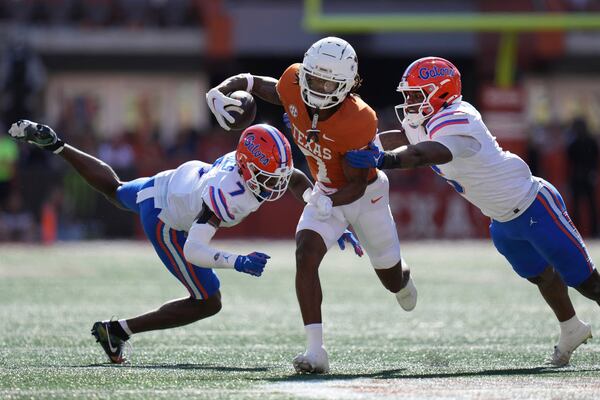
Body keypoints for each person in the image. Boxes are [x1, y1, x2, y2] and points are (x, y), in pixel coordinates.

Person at [9, 119, 361, 364]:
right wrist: (236, 261)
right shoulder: (226, 194)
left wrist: (324, 216)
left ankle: (56, 145)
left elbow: (297, 180)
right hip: (166, 218)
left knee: (115, 190)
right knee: (208, 301)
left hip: (169, 183)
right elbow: (194, 249)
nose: (275, 186)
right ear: (246, 166)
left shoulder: (250, 171)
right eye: (268, 177)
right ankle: (117, 331)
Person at [346, 56, 600, 367]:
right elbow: (405, 138)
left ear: (441, 92)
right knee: (542, 277)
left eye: (417, 94)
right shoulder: (422, 120)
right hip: (502, 221)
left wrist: (384, 159)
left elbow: (426, 152)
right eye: (408, 95)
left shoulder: (459, 116)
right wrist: (364, 144)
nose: (410, 102)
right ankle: (571, 328)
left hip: (534, 204)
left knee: (587, 282)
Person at [206, 36, 417, 374]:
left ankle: (403, 277)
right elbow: (261, 85)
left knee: (392, 280)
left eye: (327, 82)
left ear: (346, 84)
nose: (317, 86)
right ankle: (316, 351)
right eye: (313, 77)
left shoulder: (360, 119)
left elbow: (357, 184)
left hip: (366, 196)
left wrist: (327, 201)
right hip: (324, 189)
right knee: (305, 253)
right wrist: (224, 87)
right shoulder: (293, 79)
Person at [566, 117, 599, 237]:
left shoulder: (580, 142)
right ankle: (584, 231)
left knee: (587, 205)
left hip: (582, 177)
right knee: (579, 206)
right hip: (580, 177)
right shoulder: (580, 142)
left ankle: (587, 231)